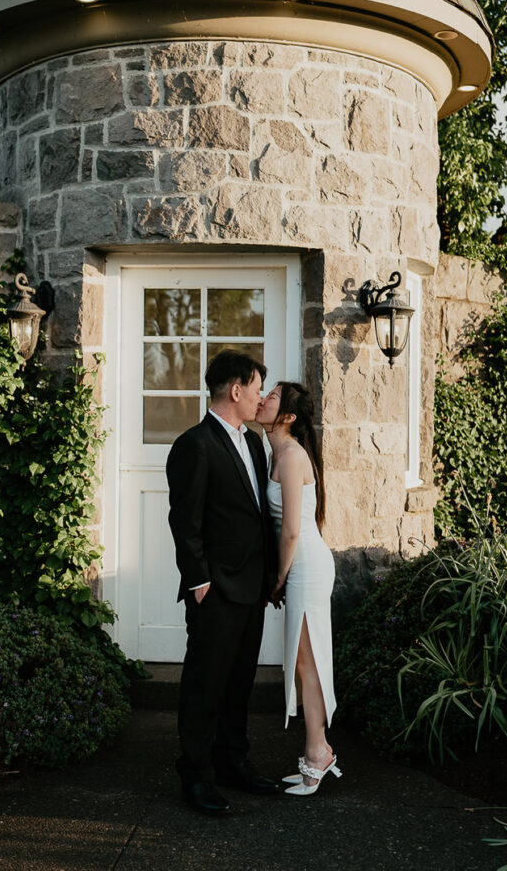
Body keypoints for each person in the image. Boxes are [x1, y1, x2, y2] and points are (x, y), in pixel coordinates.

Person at [166, 349, 280, 816]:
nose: (259, 399)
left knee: (240, 683)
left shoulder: (253, 443)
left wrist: (272, 578)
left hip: (252, 587)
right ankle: (195, 775)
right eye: (255, 389)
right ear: (236, 390)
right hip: (215, 590)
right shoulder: (193, 444)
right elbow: (184, 521)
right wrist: (199, 582)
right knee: (204, 687)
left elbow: (256, 516)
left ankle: (233, 762)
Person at [255, 381, 341, 796]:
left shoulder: (290, 457)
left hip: (305, 563)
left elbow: (290, 531)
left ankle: (317, 753)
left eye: (272, 398)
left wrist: (278, 579)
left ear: (287, 417)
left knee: (307, 662)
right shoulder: (276, 453)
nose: (263, 399)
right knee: (303, 661)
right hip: (300, 563)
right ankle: (317, 749)